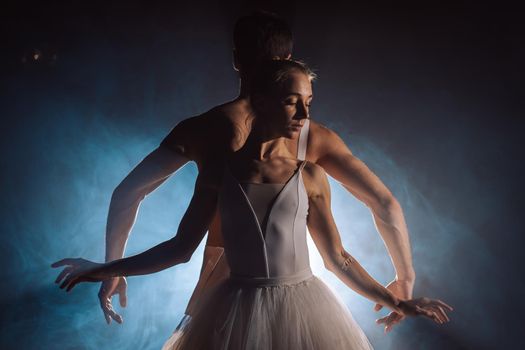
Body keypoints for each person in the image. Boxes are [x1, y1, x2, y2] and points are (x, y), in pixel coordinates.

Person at [52, 59, 453, 350]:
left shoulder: (310, 174)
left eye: (309, 101)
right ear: (260, 100)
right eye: (292, 100)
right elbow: (178, 249)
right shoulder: (218, 173)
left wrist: (399, 301)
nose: (304, 113)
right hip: (233, 308)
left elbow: (339, 260)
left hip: (306, 307)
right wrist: (105, 268)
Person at [99, 11, 416, 333]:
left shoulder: (201, 129)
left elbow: (128, 192)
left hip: (219, 292)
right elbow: (384, 203)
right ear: (288, 60)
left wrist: (112, 268)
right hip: (290, 292)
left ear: (237, 59)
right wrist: (404, 278)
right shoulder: (314, 135)